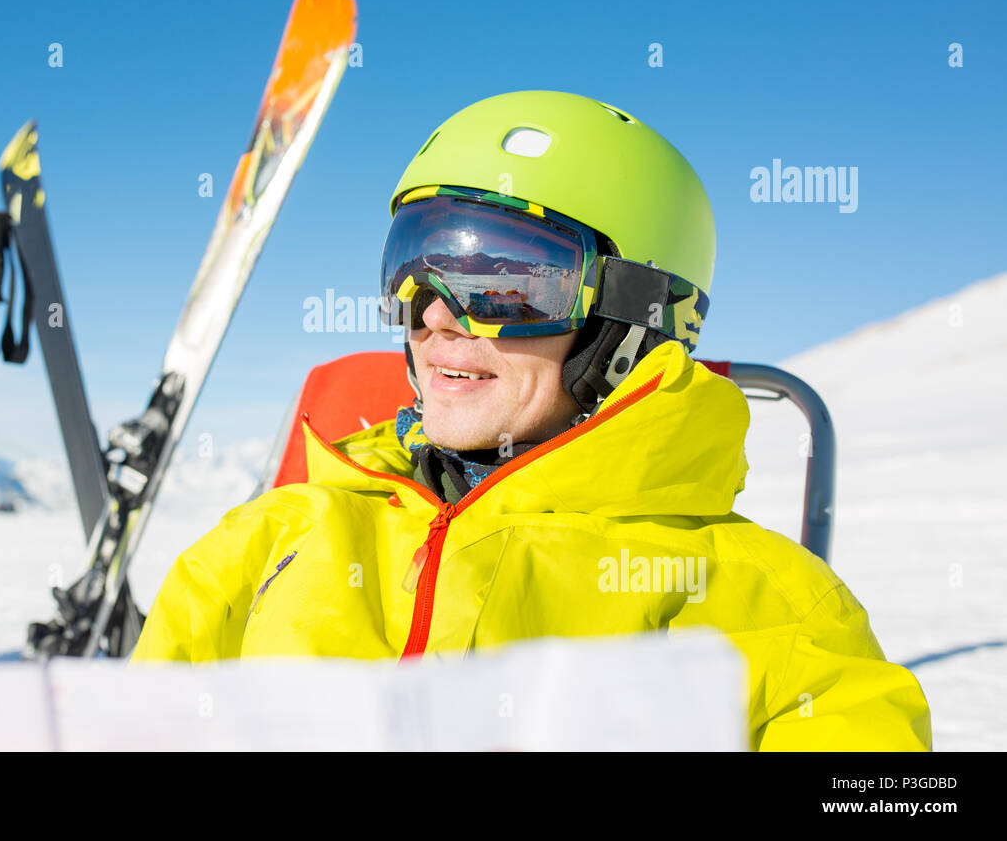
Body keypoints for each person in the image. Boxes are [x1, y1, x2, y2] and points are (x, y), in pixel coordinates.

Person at [132, 90, 932, 751]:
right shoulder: (265, 541)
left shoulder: (770, 603)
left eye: (504, 284)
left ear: (629, 320)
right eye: (415, 265)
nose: (436, 316)